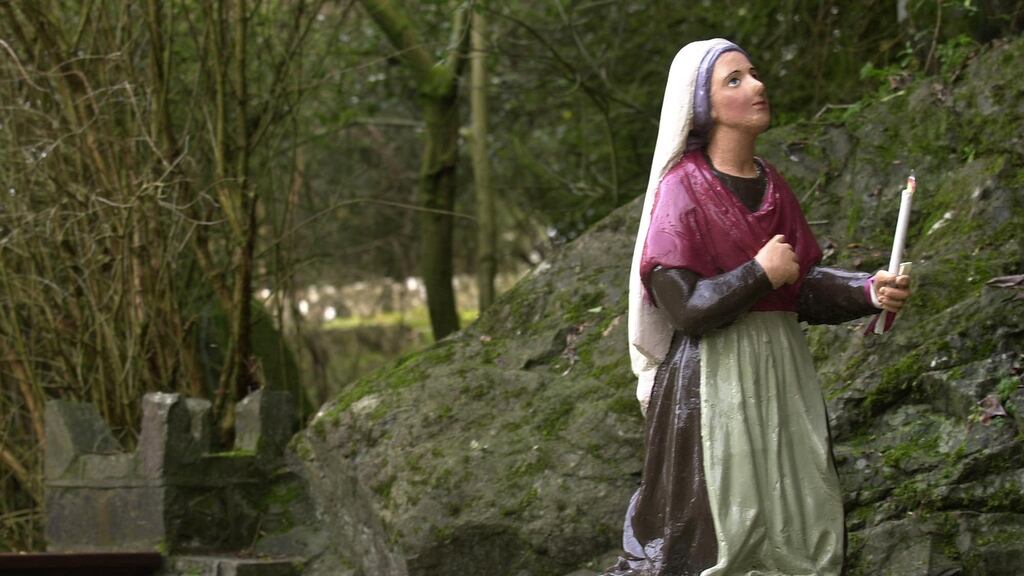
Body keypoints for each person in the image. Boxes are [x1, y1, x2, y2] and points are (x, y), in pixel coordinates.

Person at [608, 39, 912, 576]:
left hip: (783, 367)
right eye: (734, 80)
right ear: (701, 106)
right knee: (729, 507)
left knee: (799, 494)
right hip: (714, 378)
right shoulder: (683, 191)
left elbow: (801, 285)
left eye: (754, 72)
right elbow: (687, 309)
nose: (757, 85)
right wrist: (757, 273)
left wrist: (867, 290)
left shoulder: (773, 186)